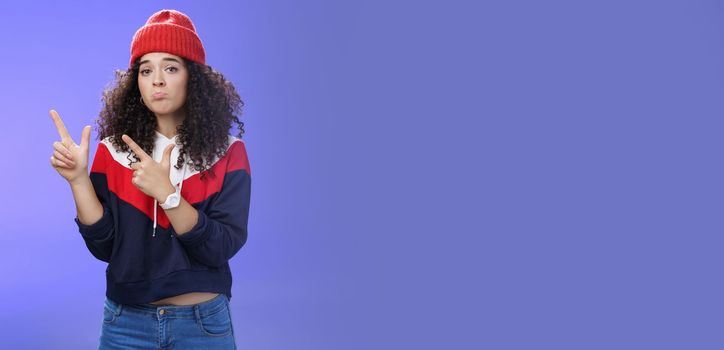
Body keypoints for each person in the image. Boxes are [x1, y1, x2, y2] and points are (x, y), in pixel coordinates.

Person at [48, 9, 250, 349]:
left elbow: (220, 247)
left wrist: (168, 195)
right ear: (136, 83)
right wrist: (78, 180)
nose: (157, 79)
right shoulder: (113, 151)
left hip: (202, 326)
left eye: (170, 67)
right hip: (125, 324)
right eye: (146, 70)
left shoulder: (229, 152)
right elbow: (104, 247)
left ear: (193, 78)